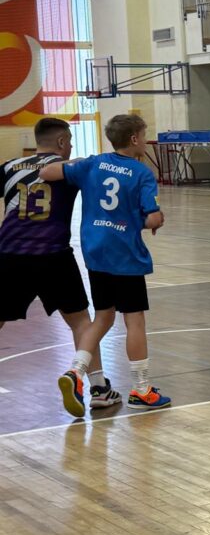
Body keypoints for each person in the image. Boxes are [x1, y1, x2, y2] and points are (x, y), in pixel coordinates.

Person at [39, 114, 169, 416]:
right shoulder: (141, 173)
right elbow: (152, 217)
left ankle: (76, 371)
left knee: (102, 318)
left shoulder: (93, 164)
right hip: (125, 256)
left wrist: (77, 164)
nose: (145, 139)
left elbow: (47, 172)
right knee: (134, 321)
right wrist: (153, 220)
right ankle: (141, 389)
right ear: (134, 139)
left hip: (95, 253)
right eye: (144, 134)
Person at [0, 118, 119, 412]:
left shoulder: (9, 167)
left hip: (11, 254)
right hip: (54, 256)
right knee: (80, 322)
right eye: (71, 142)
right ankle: (99, 389)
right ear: (62, 142)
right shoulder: (71, 169)